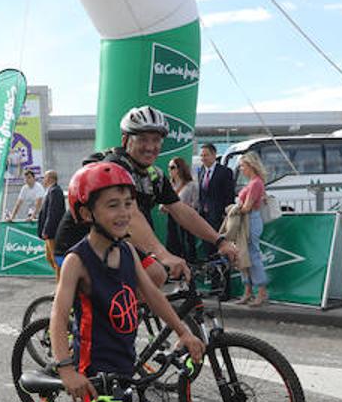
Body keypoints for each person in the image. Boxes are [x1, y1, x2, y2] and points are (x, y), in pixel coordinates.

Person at [48, 162, 204, 402]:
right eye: (112, 205)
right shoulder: (76, 260)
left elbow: (153, 296)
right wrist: (66, 368)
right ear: (87, 213)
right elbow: (57, 316)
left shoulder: (128, 253)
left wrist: (183, 332)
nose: (123, 213)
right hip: (92, 363)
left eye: (128, 204)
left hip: (123, 357)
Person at [53, 106, 238, 283]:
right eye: (142, 139)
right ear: (126, 140)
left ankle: (133, 315)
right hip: (76, 247)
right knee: (128, 289)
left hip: (114, 244)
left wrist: (219, 240)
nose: (150, 147)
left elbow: (181, 211)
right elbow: (131, 215)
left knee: (155, 276)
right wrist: (163, 254)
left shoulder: (154, 175)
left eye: (156, 140)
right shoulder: (115, 167)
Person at [234, 151, 270, 306]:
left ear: (250, 165)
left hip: (251, 221)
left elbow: (247, 207)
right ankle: (248, 291)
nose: (241, 169)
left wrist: (233, 208)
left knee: (253, 256)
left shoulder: (255, 183)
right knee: (244, 256)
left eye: (242, 165)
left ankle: (261, 292)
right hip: (248, 221)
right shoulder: (254, 182)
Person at [196, 143, 236, 262]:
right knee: (208, 249)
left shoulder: (225, 172)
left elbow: (229, 195)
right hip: (205, 217)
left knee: (221, 250)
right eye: (201, 155)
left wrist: (226, 215)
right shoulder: (201, 171)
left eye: (206, 155)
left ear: (214, 155)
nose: (203, 158)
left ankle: (222, 277)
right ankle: (212, 277)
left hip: (219, 218)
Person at [165, 156, 197, 261]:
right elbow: (163, 204)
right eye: (169, 167)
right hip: (172, 221)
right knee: (173, 247)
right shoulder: (169, 185)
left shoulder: (191, 185)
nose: (169, 170)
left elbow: (195, 204)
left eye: (172, 167)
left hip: (186, 221)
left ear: (179, 168)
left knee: (187, 248)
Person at [35, 169, 65, 276]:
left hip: (52, 232)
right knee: (49, 257)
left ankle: (61, 284)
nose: (43, 180)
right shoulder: (51, 190)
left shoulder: (55, 191)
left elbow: (53, 213)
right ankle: (61, 279)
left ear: (50, 178)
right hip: (49, 232)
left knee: (55, 259)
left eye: (45, 177)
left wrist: (47, 230)